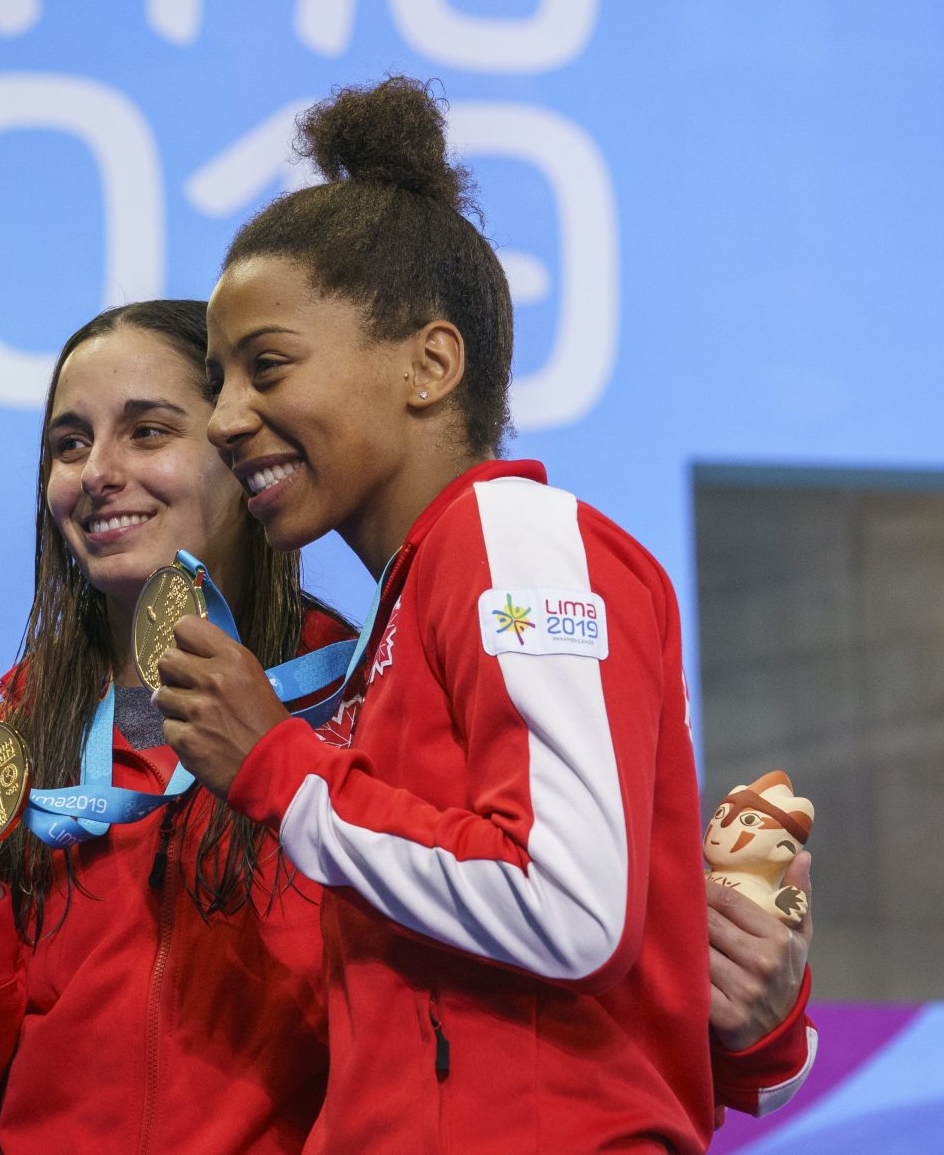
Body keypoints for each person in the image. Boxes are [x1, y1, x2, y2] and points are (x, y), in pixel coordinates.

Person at [0, 300, 812, 1155]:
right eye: (68, 446)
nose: (98, 475)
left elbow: (552, 1012)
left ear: (242, 455)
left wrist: (759, 1023)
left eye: (148, 431)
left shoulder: (379, 711)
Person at [153, 77, 815, 1153]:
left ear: (429, 363)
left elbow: (559, 900)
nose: (227, 418)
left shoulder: (511, 537)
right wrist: (758, 1024)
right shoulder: (411, 606)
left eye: (265, 366)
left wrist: (275, 764)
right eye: (219, 378)